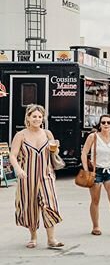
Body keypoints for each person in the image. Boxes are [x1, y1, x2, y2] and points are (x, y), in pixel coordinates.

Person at [9, 104, 64, 249]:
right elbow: (12, 155)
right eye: (34, 116)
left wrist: (55, 149)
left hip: (46, 175)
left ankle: (51, 239)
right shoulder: (20, 135)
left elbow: (54, 153)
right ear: (28, 117)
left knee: (50, 205)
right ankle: (33, 237)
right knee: (30, 206)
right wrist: (18, 169)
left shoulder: (47, 134)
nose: (37, 119)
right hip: (27, 176)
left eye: (40, 117)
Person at [81, 114, 110, 238]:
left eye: (108, 122)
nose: (106, 125)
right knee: (95, 200)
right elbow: (84, 153)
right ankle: (95, 226)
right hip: (96, 171)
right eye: (103, 123)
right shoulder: (93, 137)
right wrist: (87, 170)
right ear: (100, 124)